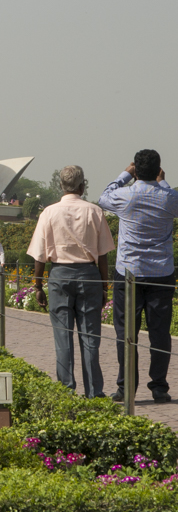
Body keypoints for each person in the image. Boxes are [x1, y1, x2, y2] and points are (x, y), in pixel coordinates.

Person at [28, 165, 114, 399]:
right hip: (89, 274)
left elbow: (39, 256)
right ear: (82, 186)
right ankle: (94, 392)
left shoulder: (48, 212)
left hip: (60, 275)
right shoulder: (94, 211)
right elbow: (104, 254)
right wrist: (104, 286)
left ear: (60, 186)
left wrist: (37, 286)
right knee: (90, 339)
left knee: (63, 338)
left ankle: (66, 392)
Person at [99, 150, 178, 403]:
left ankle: (126, 387)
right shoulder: (169, 197)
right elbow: (172, 198)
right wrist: (162, 182)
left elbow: (103, 198)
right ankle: (159, 386)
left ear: (136, 170)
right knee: (160, 332)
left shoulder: (124, 195)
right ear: (158, 169)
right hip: (161, 272)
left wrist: (125, 175)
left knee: (126, 332)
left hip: (129, 273)